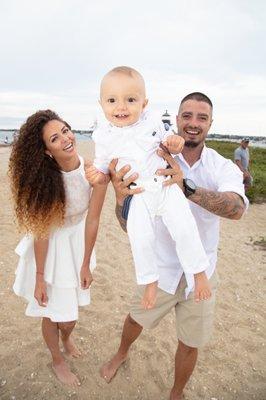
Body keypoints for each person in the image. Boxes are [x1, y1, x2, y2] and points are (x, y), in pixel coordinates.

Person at [94, 92, 248, 400]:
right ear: (176, 120)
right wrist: (121, 197)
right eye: (187, 116)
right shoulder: (151, 155)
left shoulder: (221, 166)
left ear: (210, 124)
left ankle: (176, 392)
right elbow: (127, 225)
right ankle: (121, 353)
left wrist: (185, 186)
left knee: (191, 342)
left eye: (201, 118)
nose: (193, 123)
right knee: (135, 319)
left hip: (201, 271)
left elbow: (237, 209)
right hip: (161, 267)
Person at [88, 66, 211, 310]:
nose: (121, 107)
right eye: (112, 100)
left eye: (130, 100)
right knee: (140, 237)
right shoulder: (102, 136)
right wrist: (97, 174)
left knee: (184, 227)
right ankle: (150, 281)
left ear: (144, 103)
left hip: (165, 186)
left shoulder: (153, 122)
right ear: (101, 104)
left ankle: (198, 273)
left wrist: (176, 144)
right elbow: (102, 167)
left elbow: (169, 142)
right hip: (139, 193)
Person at [9, 110, 107, 387]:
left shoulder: (92, 172)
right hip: (49, 248)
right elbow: (43, 234)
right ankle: (57, 359)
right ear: (47, 152)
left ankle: (66, 337)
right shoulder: (46, 183)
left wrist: (86, 262)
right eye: (55, 138)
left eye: (65, 130)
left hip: (78, 243)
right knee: (52, 311)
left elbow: (94, 219)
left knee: (71, 312)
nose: (65, 139)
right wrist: (40, 277)